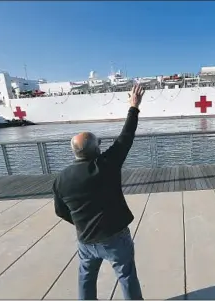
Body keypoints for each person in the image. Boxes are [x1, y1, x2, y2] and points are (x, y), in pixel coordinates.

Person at [52, 85, 145, 300]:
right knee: (126, 276)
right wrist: (134, 107)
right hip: (114, 238)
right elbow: (126, 136)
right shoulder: (107, 165)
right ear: (95, 149)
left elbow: (61, 211)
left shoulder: (60, 179)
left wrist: (82, 223)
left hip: (85, 240)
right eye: (99, 144)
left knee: (86, 278)